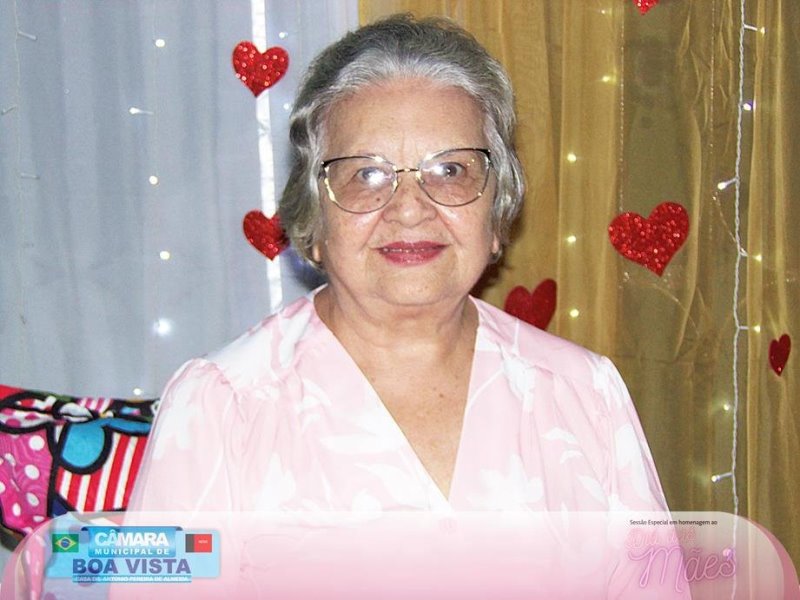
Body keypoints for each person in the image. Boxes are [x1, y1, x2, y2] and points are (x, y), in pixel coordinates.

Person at [128, 14, 668, 517]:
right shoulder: (222, 407)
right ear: (314, 218)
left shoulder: (583, 393)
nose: (410, 209)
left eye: (450, 170)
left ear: (497, 209)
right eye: (366, 174)